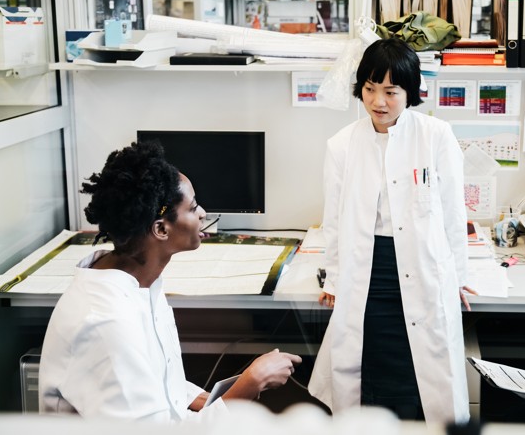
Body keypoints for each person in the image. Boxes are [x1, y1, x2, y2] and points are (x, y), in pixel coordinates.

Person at [39, 141, 301, 422]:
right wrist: (252, 382)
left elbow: (159, 383)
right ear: (161, 229)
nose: (202, 213)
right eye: (193, 207)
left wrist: (204, 398)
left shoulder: (140, 281)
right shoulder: (106, 323)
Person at [308, 38, 474, 424]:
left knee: (420, 384)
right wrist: (334, 279)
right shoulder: (342, 145)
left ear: (410, 92)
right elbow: (332, 220)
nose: (378, 102)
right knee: (371, 378)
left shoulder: (436, 136)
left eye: (390, 91)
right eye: (369, 89)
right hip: (369, 271)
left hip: (422, 268)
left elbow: (453, 212)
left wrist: (458, 278)